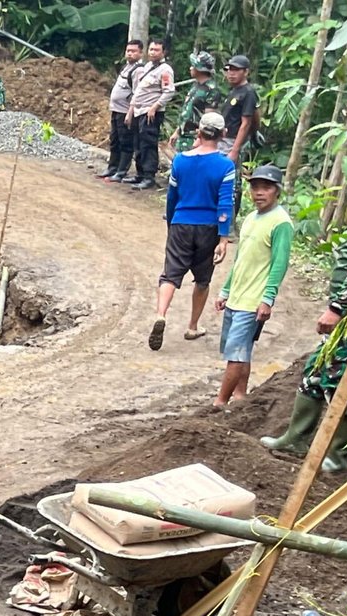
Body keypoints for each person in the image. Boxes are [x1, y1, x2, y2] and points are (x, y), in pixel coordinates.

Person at [261, 128, 347, 470]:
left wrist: (337, 307)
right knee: (318, 368)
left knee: (346, 373)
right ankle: (296, 440)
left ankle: (340, 454)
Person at [150, 111, 235, 350]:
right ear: (223, 134)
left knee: (170, 275)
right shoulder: (225, 166)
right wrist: (223, 237)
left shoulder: (180, 161)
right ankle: (192, 326)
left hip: (181, 222)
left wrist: (171, 223)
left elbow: (172, 196)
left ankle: (161, 314)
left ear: (198, 132)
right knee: (202, 279)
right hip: (208, 227)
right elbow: (225, 203)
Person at [215, 165, 294, 410]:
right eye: (255, 187)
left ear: (277, 191)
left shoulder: (281, 222)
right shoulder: (250, 218)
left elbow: (279, 264)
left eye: (266, 187)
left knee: (235, 356)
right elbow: (241, 259)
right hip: (238, 296)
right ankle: (240, 397)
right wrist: (226, 290)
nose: (259, 192)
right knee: (242, 349)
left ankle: (219, 403)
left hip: (252, 300)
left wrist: (267, 298)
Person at [124, 39, 175, 191]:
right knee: (138, 143)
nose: (153, 52)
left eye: (156, 50)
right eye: (151, 49)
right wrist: (131, 110)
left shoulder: (165, 70)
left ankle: (149, 176)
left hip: (151, 113)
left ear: (163, 52)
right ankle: (140, 174)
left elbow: (169, 91)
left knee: (148, 144)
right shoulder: (147, 67)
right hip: (139, 110)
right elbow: (139, 91)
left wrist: (155, 106)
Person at [100, 38, 145, 183]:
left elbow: (137, 93)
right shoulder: (126, 67)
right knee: (115, 140)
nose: (130, 54)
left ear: (140, 53)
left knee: (125, 142)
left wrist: (130, 113)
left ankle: (121, 171)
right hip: (116, 110)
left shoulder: (138, 70)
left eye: (134, 51)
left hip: (125, 111)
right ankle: (112, 167)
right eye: (128, 51)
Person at [173, 51, 223, 154]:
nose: (190, 68)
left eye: (193, 66)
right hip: (183, 136)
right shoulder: (195, 85)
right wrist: (177, 131)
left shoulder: (211, 90)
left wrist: (200, 140)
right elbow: (187, 111)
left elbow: (208, 118)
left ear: (199, 69)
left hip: (195, 138)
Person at [220, 55, 260, 173]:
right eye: (229, 70)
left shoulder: (248, 92)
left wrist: (235, 150)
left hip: (233, 141)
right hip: (224, 139)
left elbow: (246, 123)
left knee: (231, 176)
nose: (231, 73)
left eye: (236, 70)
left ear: (246, 72)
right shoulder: (234, 91)